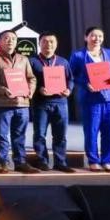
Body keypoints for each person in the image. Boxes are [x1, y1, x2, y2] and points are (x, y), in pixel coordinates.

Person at [69, 26, 110, 172]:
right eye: (93, 35)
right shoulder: (78, 56)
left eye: (100, 36)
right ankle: (93, 160)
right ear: (86, 37)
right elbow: (71, 75)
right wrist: (85, 84)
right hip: (91, 97)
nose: (97, 38)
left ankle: (107, 160)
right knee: (91, 130)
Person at [0, 30, 38, 174]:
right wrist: (2, 89)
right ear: (0, 41)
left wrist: (31, 90)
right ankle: (3, 162)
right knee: (2, 135)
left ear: (16, 42)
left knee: (20, 135)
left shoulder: (23, 59)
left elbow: (31, 78)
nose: (10, 41)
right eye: (6, 38)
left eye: (13, 39)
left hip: (22, 103)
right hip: (3, 104)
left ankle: (20, 162)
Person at [29, 32, 75, 172]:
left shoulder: (63, 61)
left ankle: (60, 162)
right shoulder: (32, 61)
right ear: (39, 43)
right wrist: (39, 89)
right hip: (40, 103)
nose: (48, 44)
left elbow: (70, 79)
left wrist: (69, 89)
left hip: (60, 102)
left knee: (60, 134)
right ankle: (42, 161)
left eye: (51, 41)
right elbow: (28, 80)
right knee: (39, 134)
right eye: (44, 41)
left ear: (56, 44)